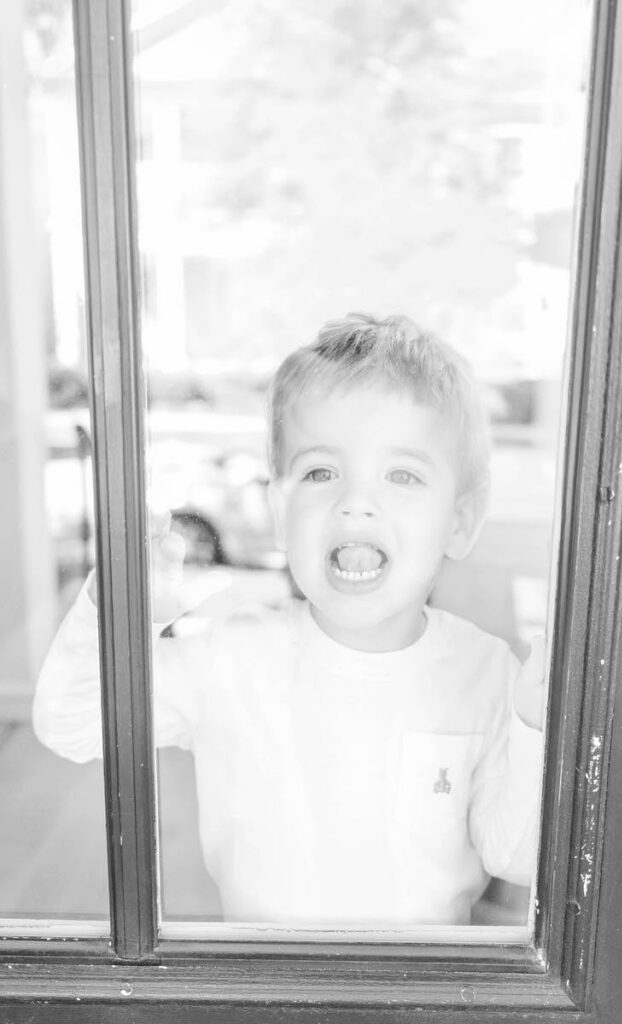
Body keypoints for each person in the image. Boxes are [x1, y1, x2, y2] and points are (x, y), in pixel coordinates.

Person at [33, 313, 546, 927]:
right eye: (321, 472)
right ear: (280, 512)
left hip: (423, 980)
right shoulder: (229, 657)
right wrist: (118, 607)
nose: (356, 502)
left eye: (402, 474)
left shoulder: (485, 673)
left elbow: (516, 857)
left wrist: (534, 724)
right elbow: (71, 722)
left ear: (459, 521)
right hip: (261, 975)